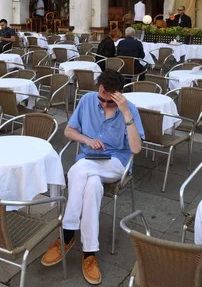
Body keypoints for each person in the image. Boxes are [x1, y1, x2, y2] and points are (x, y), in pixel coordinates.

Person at [41, 70, 144, 285]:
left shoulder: (129, 109)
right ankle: (89, 252)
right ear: (98, 89)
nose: (105, 104)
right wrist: (87, 140)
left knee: (77, 171)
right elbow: (69, 131)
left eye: (110, 101)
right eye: (102, 98)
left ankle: (67, 233)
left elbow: (136, 148)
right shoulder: (88, 100)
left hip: (116, 164)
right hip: (90, 160)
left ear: (119, 95)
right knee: (92, 185)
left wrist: (125, 113)